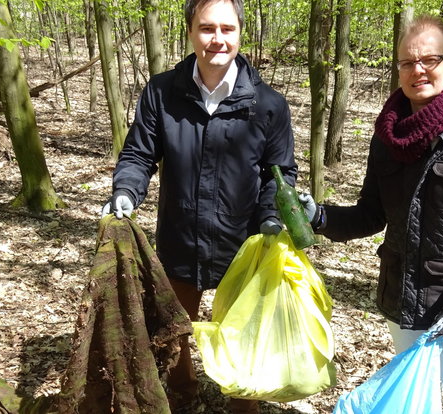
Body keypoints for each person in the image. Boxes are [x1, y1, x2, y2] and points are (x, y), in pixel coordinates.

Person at [300, 15, 443, 413]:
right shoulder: (388, 136)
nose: (417, 70)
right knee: (414, 399)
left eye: (429, 60)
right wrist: (319, 217)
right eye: (407, 62)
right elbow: (372, 213)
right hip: (403, 296)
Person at [101, 0, 297, 412]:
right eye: (207, 28)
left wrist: (272, 220)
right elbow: (138, 155)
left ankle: (241, 405)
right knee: (174, 334)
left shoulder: (268, 104)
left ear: (240, 33)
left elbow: (279, 175)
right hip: (178, 242)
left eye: (227, 28)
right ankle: (184, 396)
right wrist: (126, 192)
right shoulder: (161, 92)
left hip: (241, 249)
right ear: (191, 31)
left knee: (244, 344)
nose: (217, 39)